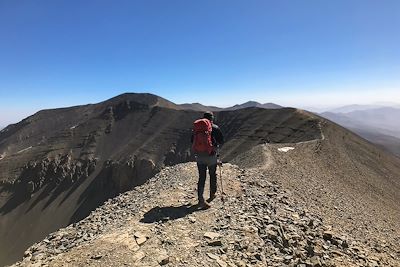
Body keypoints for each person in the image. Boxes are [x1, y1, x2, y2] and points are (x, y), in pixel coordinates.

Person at [191, 111, 224, 208]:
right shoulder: (215, 128)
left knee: (202, 177)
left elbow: (192, 140)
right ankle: (212, 194)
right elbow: (221, 140)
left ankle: (201, 199)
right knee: (212, 174)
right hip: (211, 156)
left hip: (199, 156)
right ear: (212, 119)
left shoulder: (197, 129)